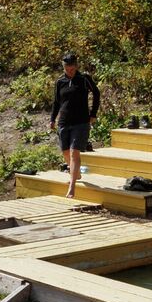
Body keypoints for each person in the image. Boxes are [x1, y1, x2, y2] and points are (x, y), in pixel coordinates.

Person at [50, 52, 101, 198]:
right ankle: (76, 173)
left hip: (81, 122)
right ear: (63, 67)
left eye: (72, 67)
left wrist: (93, 114)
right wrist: (52, 119)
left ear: (76, 65)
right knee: (65, 152)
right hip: (64, 121)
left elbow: (96, 94)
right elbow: (56, 102)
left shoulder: (84, 79)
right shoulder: (60, 82)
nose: (70, 70)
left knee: (74, 152)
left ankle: (72, 187)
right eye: (67, 68)